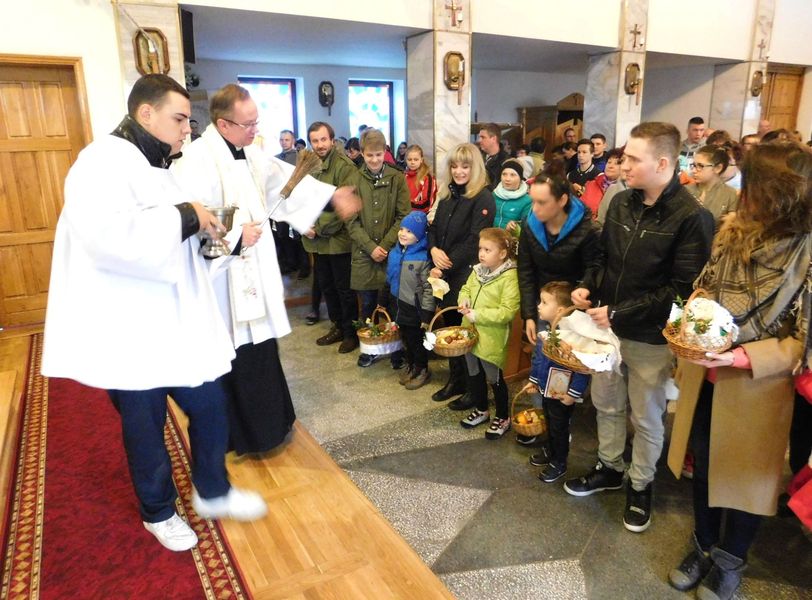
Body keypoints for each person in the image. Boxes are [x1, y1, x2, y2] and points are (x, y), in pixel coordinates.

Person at [41, 74, 268, 552]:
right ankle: (158, 511)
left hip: (175, 324)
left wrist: (218, 242)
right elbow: (108, 238)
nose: (188, 129)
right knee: (144, 427)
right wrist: (187, 215)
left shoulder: (161, 168)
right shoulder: (100, 162)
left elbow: (176, 246)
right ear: (146, 113)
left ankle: (213, 491)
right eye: (180, 119)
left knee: (210, 404)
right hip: (130, 329)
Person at [666, 144, 811, 600]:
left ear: (783, 194)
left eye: (755, 185)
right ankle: (703, 545)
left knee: (749, 479)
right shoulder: (732, 231)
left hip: (758, 385)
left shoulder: (805, 253)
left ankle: (731, 560)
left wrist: (742, 357)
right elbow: (707, 283)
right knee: (704, 467)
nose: (745, 193)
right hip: (706, 370)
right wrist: (696, 310)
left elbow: (804, 342)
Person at [171, 84, 349, 456]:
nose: (256, 130)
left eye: (256, 122)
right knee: (235, 354)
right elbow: (189, 223)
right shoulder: (196, 160)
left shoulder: (250, 152)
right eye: (248, 124)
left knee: (261, 349)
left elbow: (285, 181)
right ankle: (240, 436)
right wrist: (237, 237)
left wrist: (331, 196)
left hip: (252, 273)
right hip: (223, 280)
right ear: (223, 124)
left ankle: (272, 427)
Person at [567, 122, 715, 533]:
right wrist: (587, 285)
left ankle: (640, 483)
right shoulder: (620, 202)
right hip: (607, 330)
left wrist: (620, 312)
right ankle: (610, 467)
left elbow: (681, 290)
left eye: (633, 159)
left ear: (663, 163)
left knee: (646, 417)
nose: (623, 165)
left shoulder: (693, 217)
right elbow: (604, 259)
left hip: (650, 336)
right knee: (607, 404)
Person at [516, 175, 601, 444]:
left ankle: (561, 425)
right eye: (533, 201)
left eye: (542, 202)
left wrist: (584, 288)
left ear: (563, 200)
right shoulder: (531, 224)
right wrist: (529, 314)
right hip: (544, 305)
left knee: (569, 364)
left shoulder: (586, 229)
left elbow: (595, 267)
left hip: (574, 307)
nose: (535, 208)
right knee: (542, 359)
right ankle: (541, 421)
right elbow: (525, 270)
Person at [428, 143, 496, 409]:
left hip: (466, 274)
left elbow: (475, 240)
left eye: (465, 166)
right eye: (454, 166)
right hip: (444, 272)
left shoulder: (483, 198)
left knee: (465, 332)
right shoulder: (448, 194)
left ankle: (472, 388)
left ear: (474, 167)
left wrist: (444, 264)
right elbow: (434, 228)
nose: (458, 171)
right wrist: (433, 250)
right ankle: (455, 380)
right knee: (449, 328)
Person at [346, 129, 411, 368]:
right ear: (362, 153)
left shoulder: (397, 178)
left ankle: (395, 350)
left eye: (378, 155)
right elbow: (350, 221)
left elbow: (403, 215)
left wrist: (384, 245)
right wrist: (370, 247)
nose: (374, 160)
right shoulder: (353, 179)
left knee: (393, 303)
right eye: (369, 155)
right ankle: (370, 349)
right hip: (364, 253)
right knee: (367, 304)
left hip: (390, 252)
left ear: (385, 152)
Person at [523, 281, 591, 482]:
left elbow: (582, 367)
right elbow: (539, 357)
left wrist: (573, 394)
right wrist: (534, 380)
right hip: (546, 387)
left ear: (560, 310)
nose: (538, 306)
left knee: (559, 428)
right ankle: (550, 449)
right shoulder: (547, 331)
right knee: (549, 421)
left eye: (544, 303)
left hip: (562, 393)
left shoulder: (574, 337)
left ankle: (559, 462)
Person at [457, 228, 520, 438]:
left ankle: (502, 416)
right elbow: (465, 289)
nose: (481, 254)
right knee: (473, 373)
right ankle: (482, 409)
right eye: (480, 249)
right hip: (469, 331)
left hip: (491, 337)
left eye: (487, 250)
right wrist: (463, 300)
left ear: (502, 254)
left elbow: (507, 311)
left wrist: (478, 315)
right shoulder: (478, 271)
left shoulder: (509, 277)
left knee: (494, 378)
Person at [304, 121, 361, 354]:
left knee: (344, 289)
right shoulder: (309, 164)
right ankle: (337, 325)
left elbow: (344, 205)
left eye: (323, 139)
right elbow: (304, 198)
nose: (319, 145)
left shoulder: (345, 166)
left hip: (338, 240)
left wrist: (318, 228)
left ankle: (350, 333)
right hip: (317, 241)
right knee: (327, 286)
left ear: (332, 140)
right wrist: (303, 223)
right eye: (315, 141)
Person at [386, 211, 435, 389]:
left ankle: (422, 369)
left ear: (420, 236)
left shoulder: (423, 258)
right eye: (402, 229)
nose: (403, 234)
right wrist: (383, 298)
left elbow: (428, 289)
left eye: (409, 231)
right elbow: (389, 278)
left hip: (414, 309)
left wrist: (426, 314)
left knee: (416, 341)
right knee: (405, 339)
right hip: (397, 305)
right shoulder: (394, 253)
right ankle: (411, 365)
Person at [685, 145, 739, 227]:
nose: (694, 170)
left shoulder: (730, 194)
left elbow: (729, 228)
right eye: (694, 165)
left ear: (718, 168)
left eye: (700, 166)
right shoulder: (685, 190)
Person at [492, 159, 531, 235]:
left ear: (520, 178)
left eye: (512, 175)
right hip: (489, 237)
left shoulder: (527, 201)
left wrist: (515, 228)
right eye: (504, 174)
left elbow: (526, 229)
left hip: (510, 239)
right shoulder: (494, 194)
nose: (507, 179)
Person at [581, 148, 622, 218]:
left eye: (617, 163)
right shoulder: (591, 184)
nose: (610, 166)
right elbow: (581, 208)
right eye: (609, 162)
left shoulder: (625, 189)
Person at [403, 144, 436, 214]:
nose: (412, 162)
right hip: (403, 212)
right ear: (406, 160)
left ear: (421, 160)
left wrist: (405, 205)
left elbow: (427, 205)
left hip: (420, 214)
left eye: (416, 159)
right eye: (409, 159)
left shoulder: (427, 178)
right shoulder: (403, 176)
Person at [478, 123, 509, 190]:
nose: (479, 140)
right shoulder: (476, 157)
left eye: (483, 137)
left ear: (494, 139)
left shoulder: (506, 161)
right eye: (479, 137)